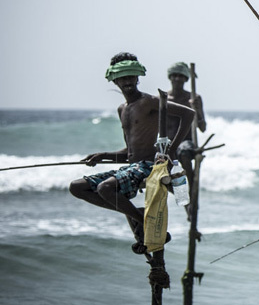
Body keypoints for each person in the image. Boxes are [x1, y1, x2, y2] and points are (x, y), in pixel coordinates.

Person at [69, 52, 195, 254]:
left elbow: (189, 114)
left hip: (148, 166)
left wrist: (169, 150)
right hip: (132, 167)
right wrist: (104, 155)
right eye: (122, 77)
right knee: (77, 187)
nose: (127, 81)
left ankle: (142, 220)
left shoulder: (149, 101)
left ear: (137, 77)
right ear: (114, 79)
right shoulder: (123, 109)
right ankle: (139, 214)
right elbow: (130, 153)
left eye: (130, 77)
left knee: (105, 189)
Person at [166, 61, 207, 192]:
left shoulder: (194, 98)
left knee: (183, 151)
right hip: (168, 143)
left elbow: (202, 127)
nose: (177, 79)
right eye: (175, 75)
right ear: (170, 77)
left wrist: (196, 110)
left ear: (186, 79)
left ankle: (189, 189)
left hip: (186, 143)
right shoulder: (162, 99)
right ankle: (179, 193)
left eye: (181, 76)